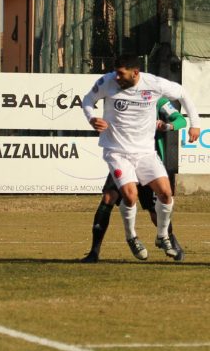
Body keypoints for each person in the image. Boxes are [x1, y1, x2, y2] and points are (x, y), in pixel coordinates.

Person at [82, 54, 200, 261]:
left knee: (165, 193)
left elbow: (182, 94)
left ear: (135, 72)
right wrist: (92, 118)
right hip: (117, 151)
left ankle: (164, 236)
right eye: (116, 73)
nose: (116, 77)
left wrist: (194, 124)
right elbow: (88, 100)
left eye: (121, 74)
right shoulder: (106, 82)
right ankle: (131, 237)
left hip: (145, 152)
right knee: (128, 196)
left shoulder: (155, 86)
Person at [81, 97, 187, 263]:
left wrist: (167, 125)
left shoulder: (157, 99)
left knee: (155, 210)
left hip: (147, 161)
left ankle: (169, 239)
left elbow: (180, 119)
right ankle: (94, 252)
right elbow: (93, 98)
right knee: (109, 196)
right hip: (124, 157)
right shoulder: (119, 95)